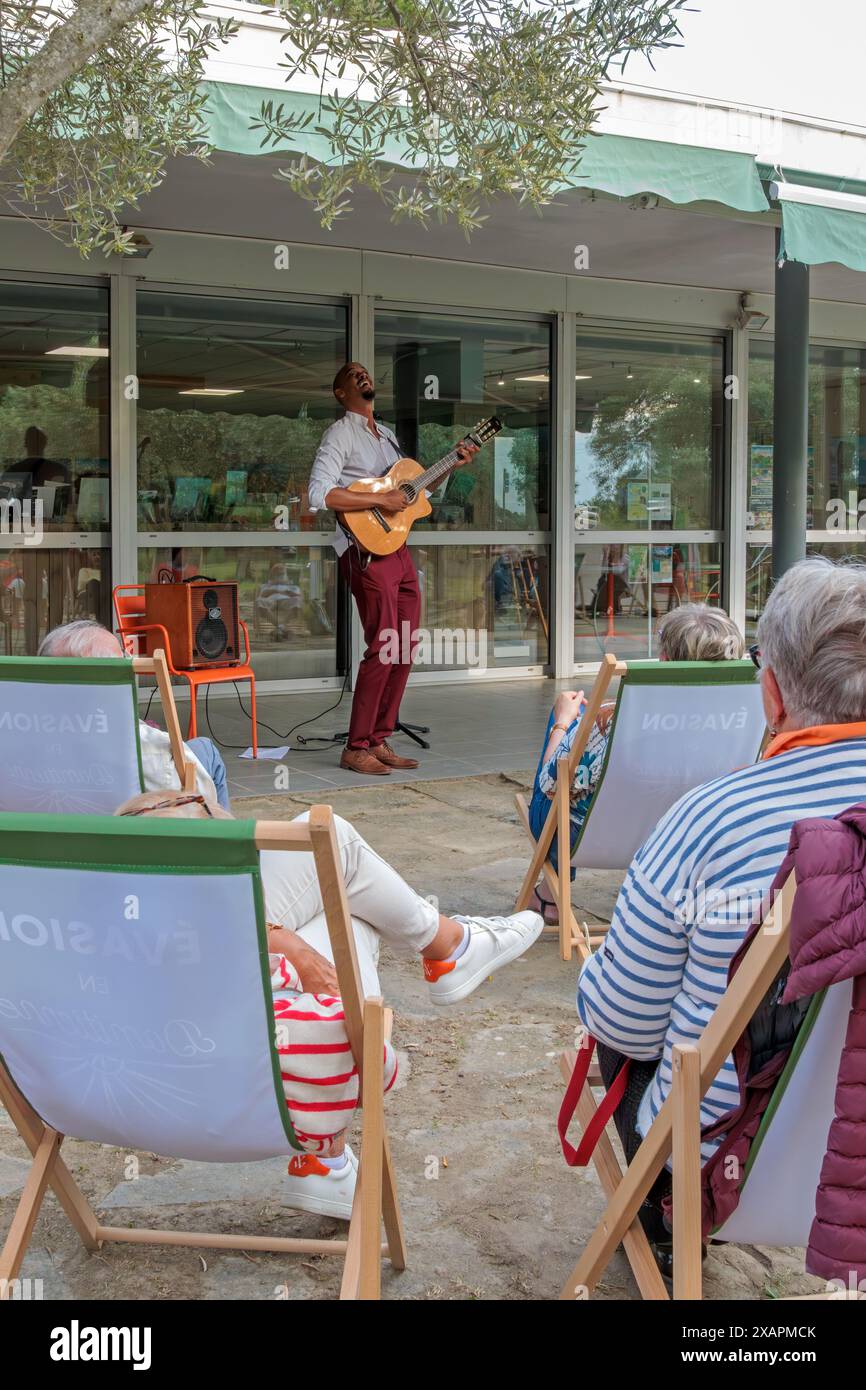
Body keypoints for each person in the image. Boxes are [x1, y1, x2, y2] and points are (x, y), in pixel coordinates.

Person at [575, 558, 866, 1266]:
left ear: (770, 694)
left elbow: (625, 1022)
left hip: (742, 1163)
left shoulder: (713, 821)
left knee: (620, 1017)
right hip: (847, 1163)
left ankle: (666, 1222)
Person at [116, 787, 543, 1217]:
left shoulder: (80, 949)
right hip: (254, 1088)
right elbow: (377, 1064)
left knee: (341, 897)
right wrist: (289, 947)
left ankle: (328, 1162)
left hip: (135, 1102)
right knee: (336, 848)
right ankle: (448, 947)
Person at [307, 362, 478, 776]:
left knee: (404, 646)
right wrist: (379, 502)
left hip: (397, 549)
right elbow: (319, 494)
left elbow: (412, 494)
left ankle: (379, 738)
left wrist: (452, 464)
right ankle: (355, 747)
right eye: (352, 374)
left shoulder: (386, 437)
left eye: (366, 372)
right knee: (383, 646)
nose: (363, 376)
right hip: (364, 550)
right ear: (340, 393)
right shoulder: (339, 435)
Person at [527, 603, 745, 921]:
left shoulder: (618, 723)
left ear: (666, 659)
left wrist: (562, 723)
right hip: (683, 840)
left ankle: (551, 894)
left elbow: (551, 784)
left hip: (591, 840)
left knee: (567, 722)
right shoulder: (741, 721)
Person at [37, 620, 231, 810]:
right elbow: (183, 790)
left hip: (57, 826)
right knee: (206, 749)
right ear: (108, 676)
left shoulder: (25, 733)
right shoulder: (136, 745)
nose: (130, 656)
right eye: (123, 654)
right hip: (141, 818)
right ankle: (224, 839)